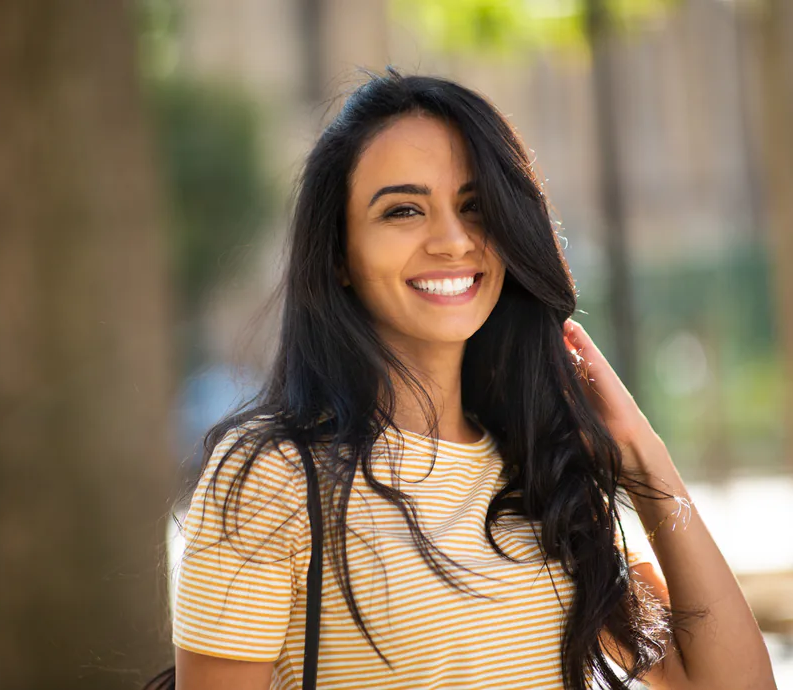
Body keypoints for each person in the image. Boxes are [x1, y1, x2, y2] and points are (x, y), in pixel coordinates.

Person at [150, 70, 776, 689]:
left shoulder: (541, 471)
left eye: (475, 208)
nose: (453, 241)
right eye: (403, 210)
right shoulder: (274, 478)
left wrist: (643, 456)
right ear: (339, 254)